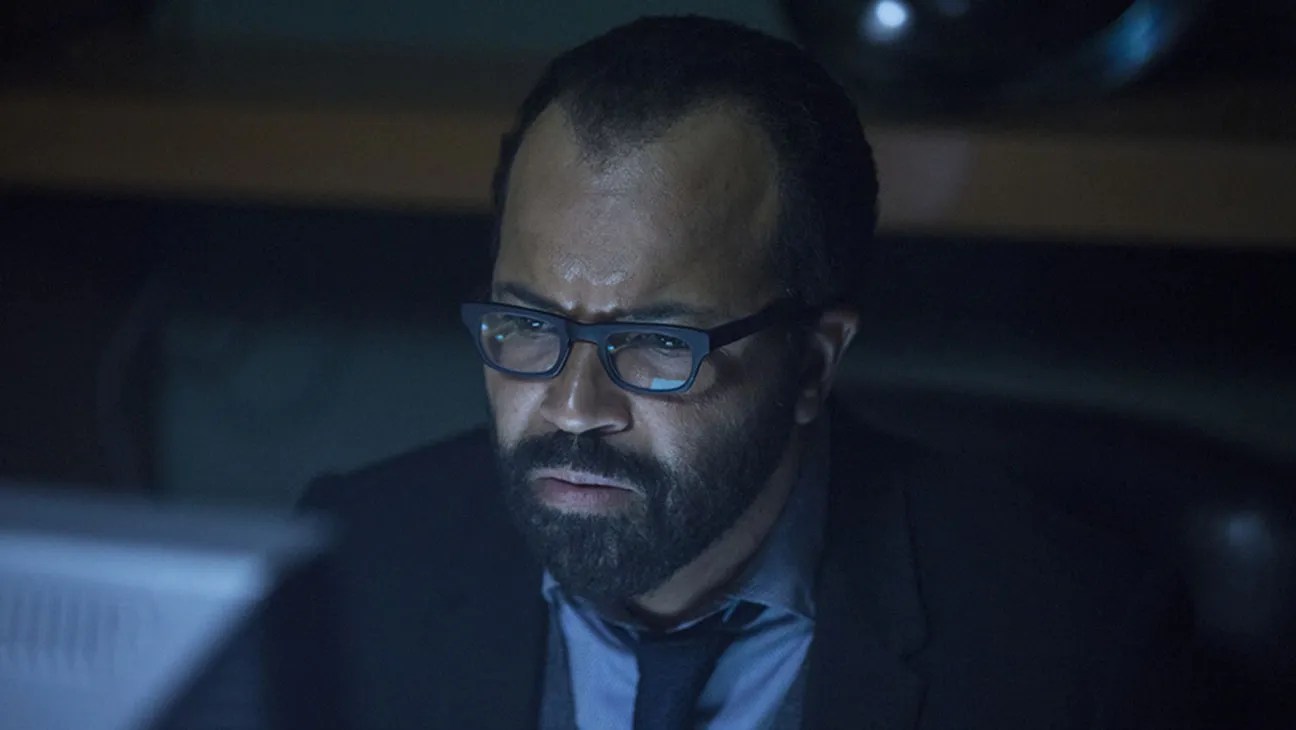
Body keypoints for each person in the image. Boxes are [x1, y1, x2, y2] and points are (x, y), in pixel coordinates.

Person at [301, 15, 1192, 730]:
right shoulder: (345, 567)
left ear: (813, 362)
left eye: (658, 342)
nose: (573, 407)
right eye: (529, 325)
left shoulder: (1071, 647)